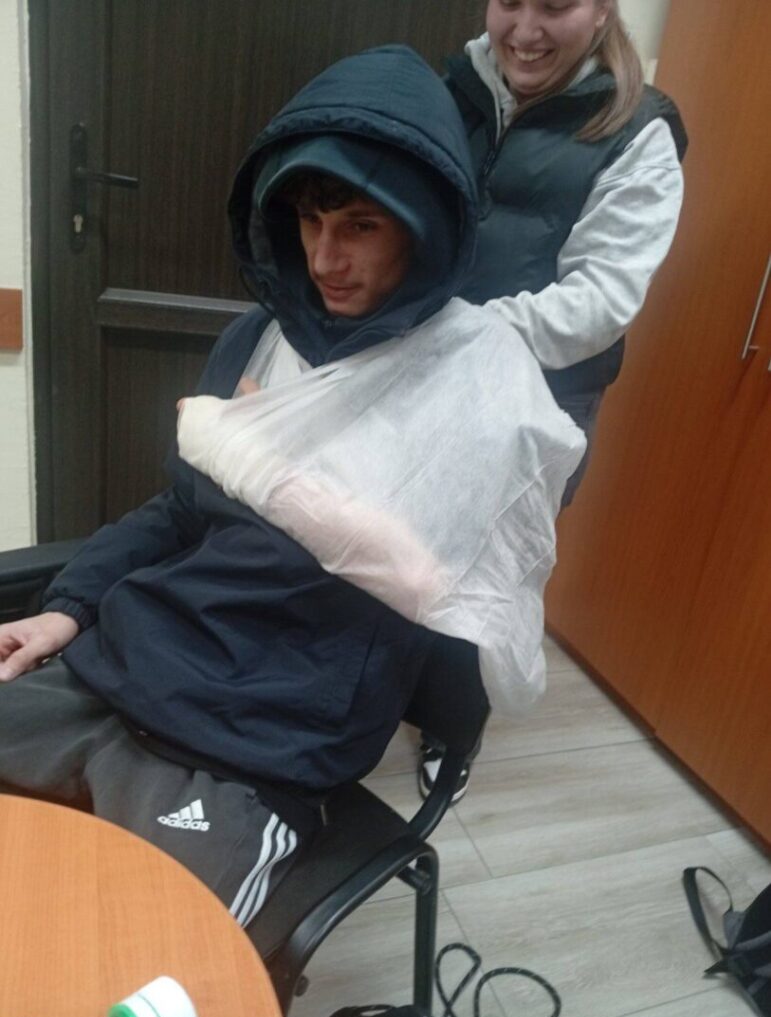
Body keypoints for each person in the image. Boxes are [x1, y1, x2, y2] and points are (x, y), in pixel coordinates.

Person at [0, 46, 584, 926]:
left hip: (261, 738)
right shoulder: (258, 340)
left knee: (147, 951)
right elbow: (179, 510)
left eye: (360, 225)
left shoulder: (478, 384)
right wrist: (68, 608)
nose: (324, 256)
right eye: (309, 220)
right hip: (120, 665)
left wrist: (268, 470)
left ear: (423, 227)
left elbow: (441, 590)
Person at [418, 0, 688, 800]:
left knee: (482, 576)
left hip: (533, 400)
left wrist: (455, 332)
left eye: (555, 5)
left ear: (601, 10)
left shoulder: (638, 129)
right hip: (419, 375)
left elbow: (598, 303)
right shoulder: (455, 87)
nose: (525, 31)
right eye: (510, 1)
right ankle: (365, 694)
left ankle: (450, 732)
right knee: (392, 540)